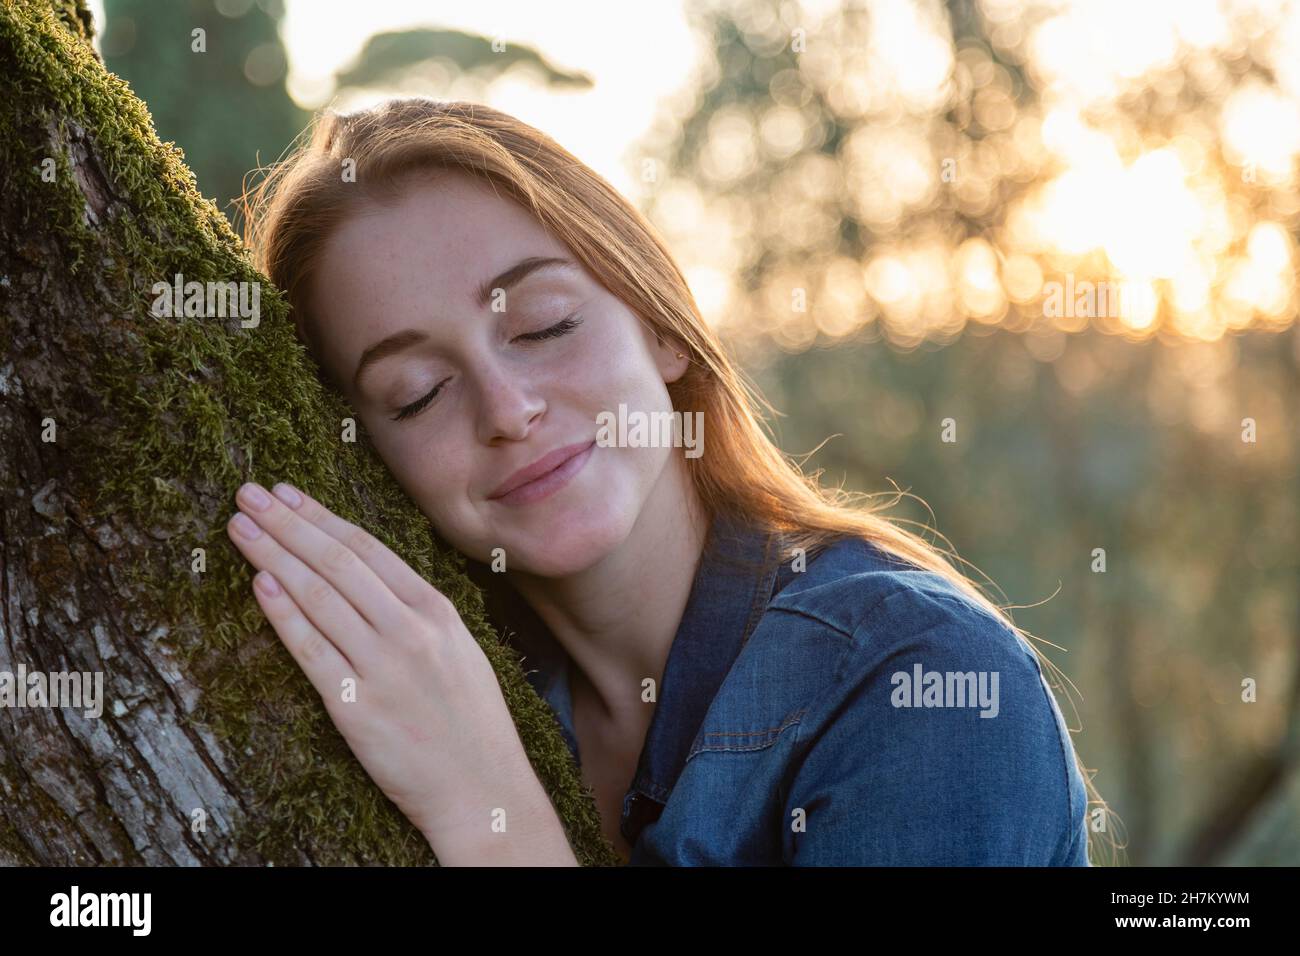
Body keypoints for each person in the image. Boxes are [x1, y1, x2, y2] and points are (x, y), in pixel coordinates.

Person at [233, 96, 1104, 866]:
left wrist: (484, 812)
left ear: (660, 328)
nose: (508, 409)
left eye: (544, 325)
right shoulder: (422, 676)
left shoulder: (919, 680)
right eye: (416, 394)